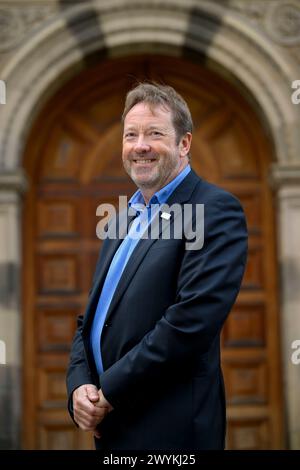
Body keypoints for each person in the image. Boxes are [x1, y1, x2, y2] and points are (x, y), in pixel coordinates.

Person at [66, 82, 248, 450]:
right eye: (130, 135)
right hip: (113, 428)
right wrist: (78, 385)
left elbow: (189, 323)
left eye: (155, 133)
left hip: (172, 430)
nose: (140, 145)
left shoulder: (214, 210)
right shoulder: (119, 220)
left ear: (184, 144)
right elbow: (91, 318)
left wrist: (110, 391)